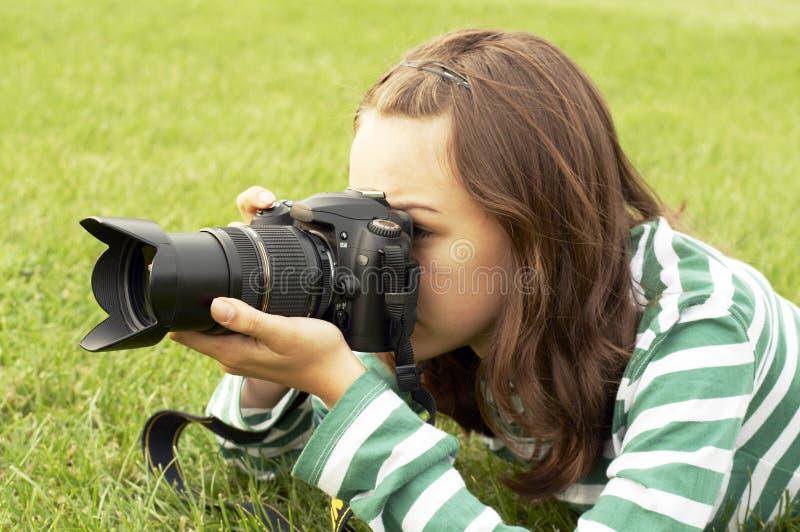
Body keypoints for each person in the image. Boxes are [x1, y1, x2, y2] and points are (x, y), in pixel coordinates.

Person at [168, 29, 800, 531]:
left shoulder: (696, 330)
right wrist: (273, 331)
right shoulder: (445, 306)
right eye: (362, 216)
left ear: (539, 230)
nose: (376, 251)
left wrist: (349, 394)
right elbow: (256, 461)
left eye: (410, 228)